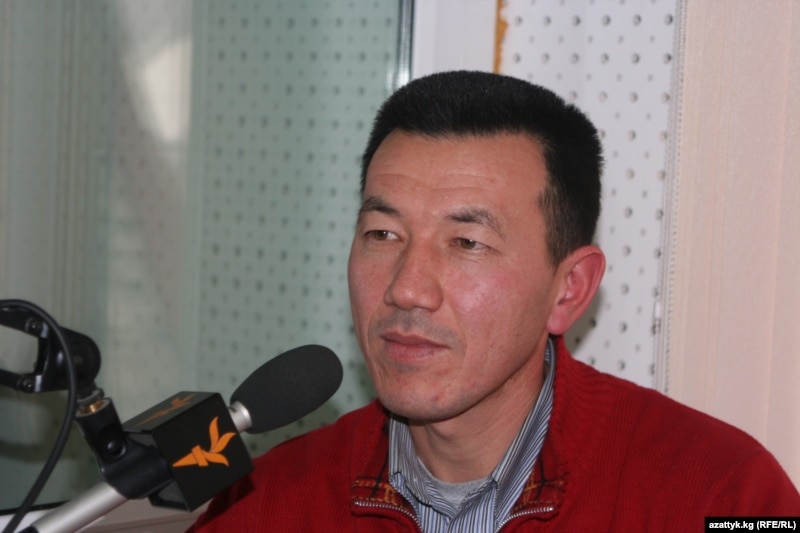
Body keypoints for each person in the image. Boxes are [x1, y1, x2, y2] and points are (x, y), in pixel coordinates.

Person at [188, 71, 800, 531]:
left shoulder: (724, 495)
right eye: (383, 234)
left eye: (467, 243)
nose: (406, 288)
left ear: (569, 289)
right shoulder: (265, 503)